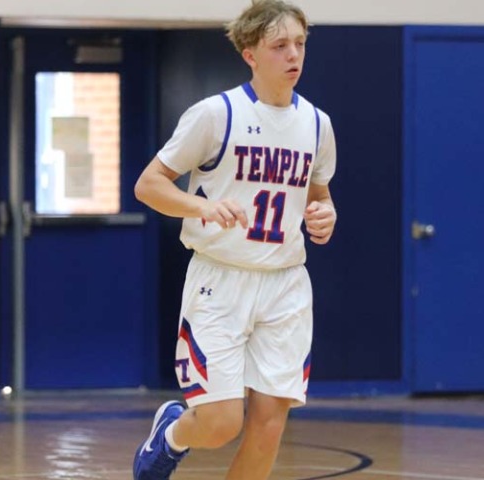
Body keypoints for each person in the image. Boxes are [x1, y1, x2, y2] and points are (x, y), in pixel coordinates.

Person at [132, 1, 337, 478]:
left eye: (300, 44)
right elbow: (148, 185)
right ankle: (171, 434)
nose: (294, 55)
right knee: (222, 423)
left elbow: (320, 195)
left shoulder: (317, 124)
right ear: (250, 54)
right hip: (220, 280)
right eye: (279, 45)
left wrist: (326, 215)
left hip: (285, 283)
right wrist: (201, 206)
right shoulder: (215, 114)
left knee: (269, 426)